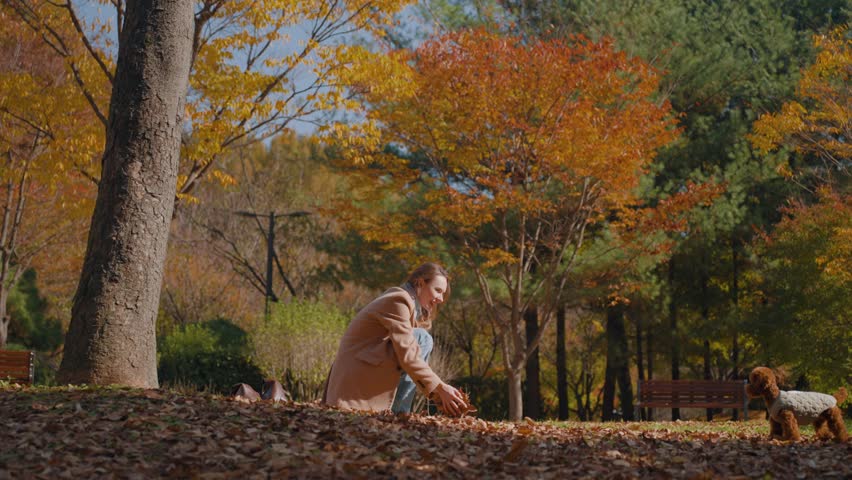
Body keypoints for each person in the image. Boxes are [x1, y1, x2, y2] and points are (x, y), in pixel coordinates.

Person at [323, 262, 467, 416]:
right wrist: (439, 387)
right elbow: (408, 355)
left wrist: (439, 391)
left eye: (443, 294)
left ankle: (398, 412)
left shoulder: (411, 309)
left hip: (363, 375)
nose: (440, 298)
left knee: (419, 337)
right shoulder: (398, 300)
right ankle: (399, 413)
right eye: (437, 290)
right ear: (420, 283)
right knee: (422, 338)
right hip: (353, 385)